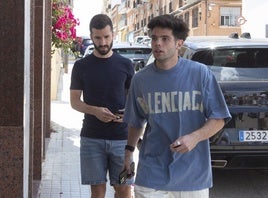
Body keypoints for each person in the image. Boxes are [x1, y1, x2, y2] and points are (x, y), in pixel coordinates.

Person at [123, 14, 231, 198]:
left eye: (165, 39)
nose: (158, 43)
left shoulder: (200, 74)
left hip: (193, 175)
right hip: (152, 174)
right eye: (154, 38)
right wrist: (128, 153)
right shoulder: (140, 80)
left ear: (179, 43)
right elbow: (135, 122)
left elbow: (219, 118)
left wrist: (195, 137)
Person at [70, 14, 134, 198]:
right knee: (97, 191)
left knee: (123, 189)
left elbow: (136, 100)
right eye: (98, 38)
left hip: (122, 140)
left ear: (113, 34)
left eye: (106, 37)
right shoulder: (81, 66)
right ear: (92, 36)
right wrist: (94, 111)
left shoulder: (126, 64)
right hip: (92, 139)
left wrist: (128, 114)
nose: (103, 42)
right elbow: (74, 101)